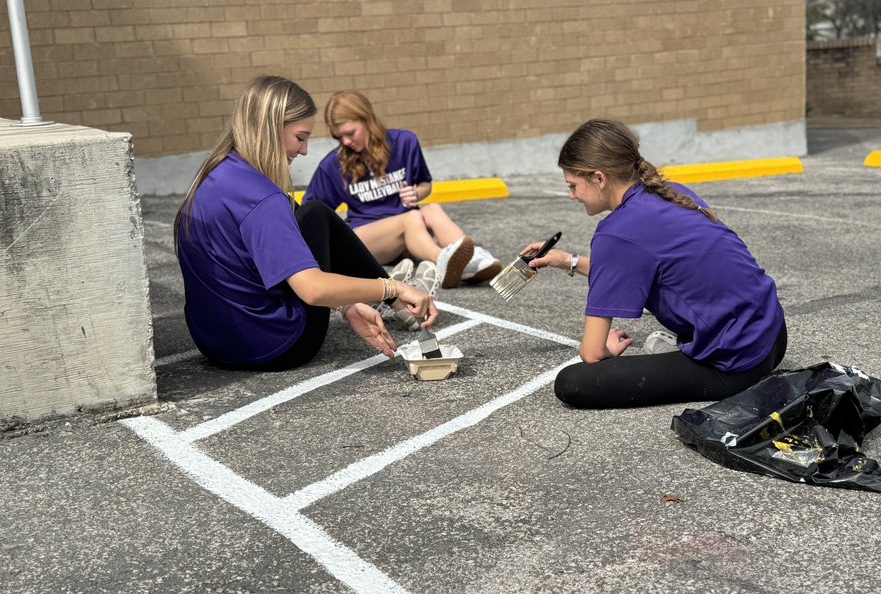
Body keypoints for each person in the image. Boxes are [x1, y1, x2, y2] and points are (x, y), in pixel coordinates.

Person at [174, 76, 437, 370]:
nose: (304, 151)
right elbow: (313, 290)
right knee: (316, 213)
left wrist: (347, 304)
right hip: (278, 346)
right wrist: (392, 288)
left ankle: (378, 296)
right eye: (301, 137)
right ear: (270, 130)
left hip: (214, 342)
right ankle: (401, 301)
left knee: (306, 213)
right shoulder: (263, 199)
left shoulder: (214, 175)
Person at [522, 118, 787, 409]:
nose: (571, 195)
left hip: (737, 364)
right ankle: (685, 348)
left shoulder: (615, 234)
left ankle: (690, 354)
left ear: (599, 178)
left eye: (573, 186)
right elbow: (629, 270)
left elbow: (592, 353)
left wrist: (606, 349)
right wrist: (568, 261)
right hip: (772, 334)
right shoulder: (671, 192)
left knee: (573, 382)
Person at [303, 90, 502, 293]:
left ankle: (474, 259)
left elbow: (425, 184)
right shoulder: (332, 164)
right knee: (412, 217)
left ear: (367, 120)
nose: (345, 142)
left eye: (350, 133)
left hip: (408, 237)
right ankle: (442, 261)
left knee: (431, 209)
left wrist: (416, 195)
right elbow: (311, 212)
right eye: (339, 137)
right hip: (366, 239)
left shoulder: (405, 142)